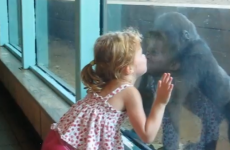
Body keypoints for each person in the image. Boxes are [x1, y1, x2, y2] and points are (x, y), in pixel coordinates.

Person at [41, 28, 174, 150]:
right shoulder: (129, 92)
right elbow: (147, 136)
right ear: (128, 68)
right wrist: (161, 102)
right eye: (141, 54)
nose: (146, 56)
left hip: (57, 141)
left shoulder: (103, 84)